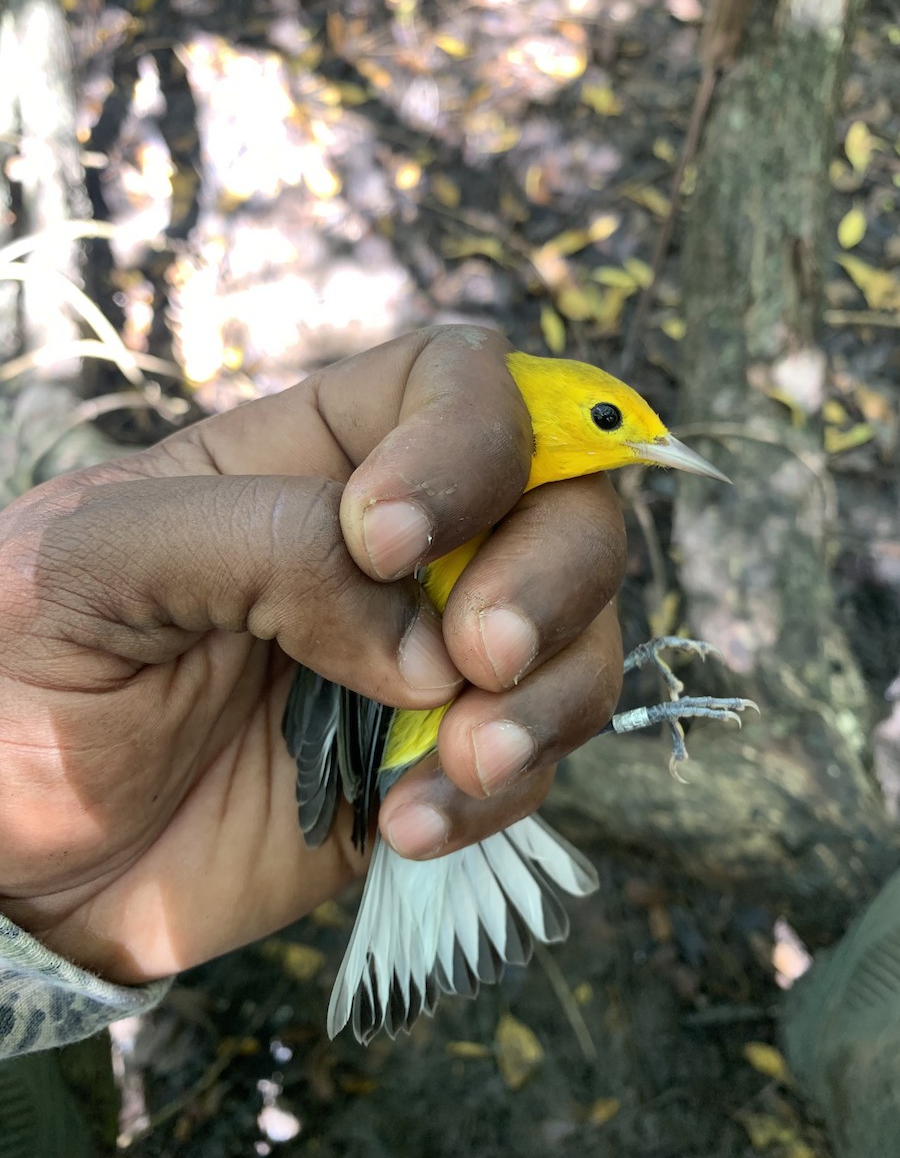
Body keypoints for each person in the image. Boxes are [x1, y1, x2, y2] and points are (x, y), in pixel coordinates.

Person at [0, 326, 625, 1057]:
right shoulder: (447, 484)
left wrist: (41, 923)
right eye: (613, 424)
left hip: (387, 761)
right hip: (388, 746)